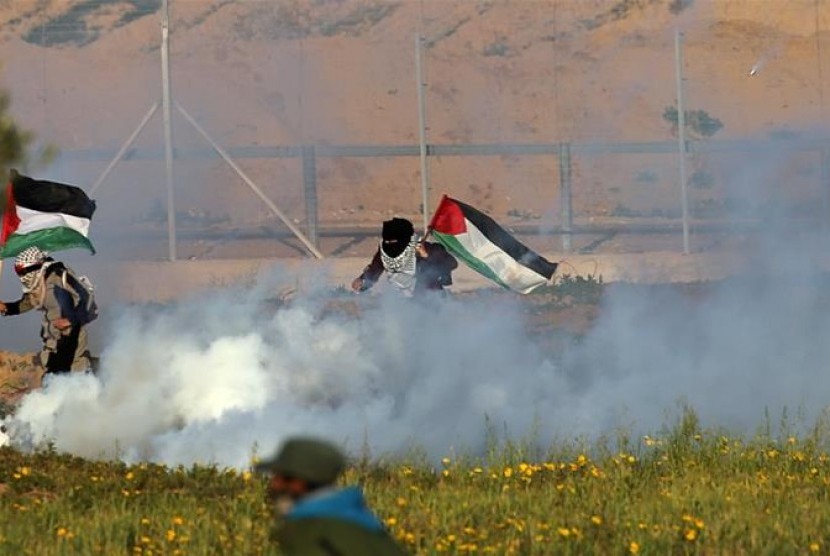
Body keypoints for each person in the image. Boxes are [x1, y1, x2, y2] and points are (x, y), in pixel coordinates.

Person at [255, 436, 408, 556]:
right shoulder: (362, 521)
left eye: (283, 478)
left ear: (300, 482)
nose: (274, 485)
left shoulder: (309, 528)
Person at [0, 246, 97, 377]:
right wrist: (6, 308)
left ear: (37, 265)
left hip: (70, 334)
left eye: (24, 270)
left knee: (74, 375)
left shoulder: (58, 275)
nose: (22, 276)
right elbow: (28, 303)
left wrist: (70, 320)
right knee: (53, 377)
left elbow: (86, 296)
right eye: (19, 272)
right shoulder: (38, 284)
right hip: (52, 338)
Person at [351, 217, 458, 297]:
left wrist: (426, 255)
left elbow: (452, 263)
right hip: (403, 299)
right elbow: (376, 268)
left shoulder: (424, 248)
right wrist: (363, 280)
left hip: (430, 297)